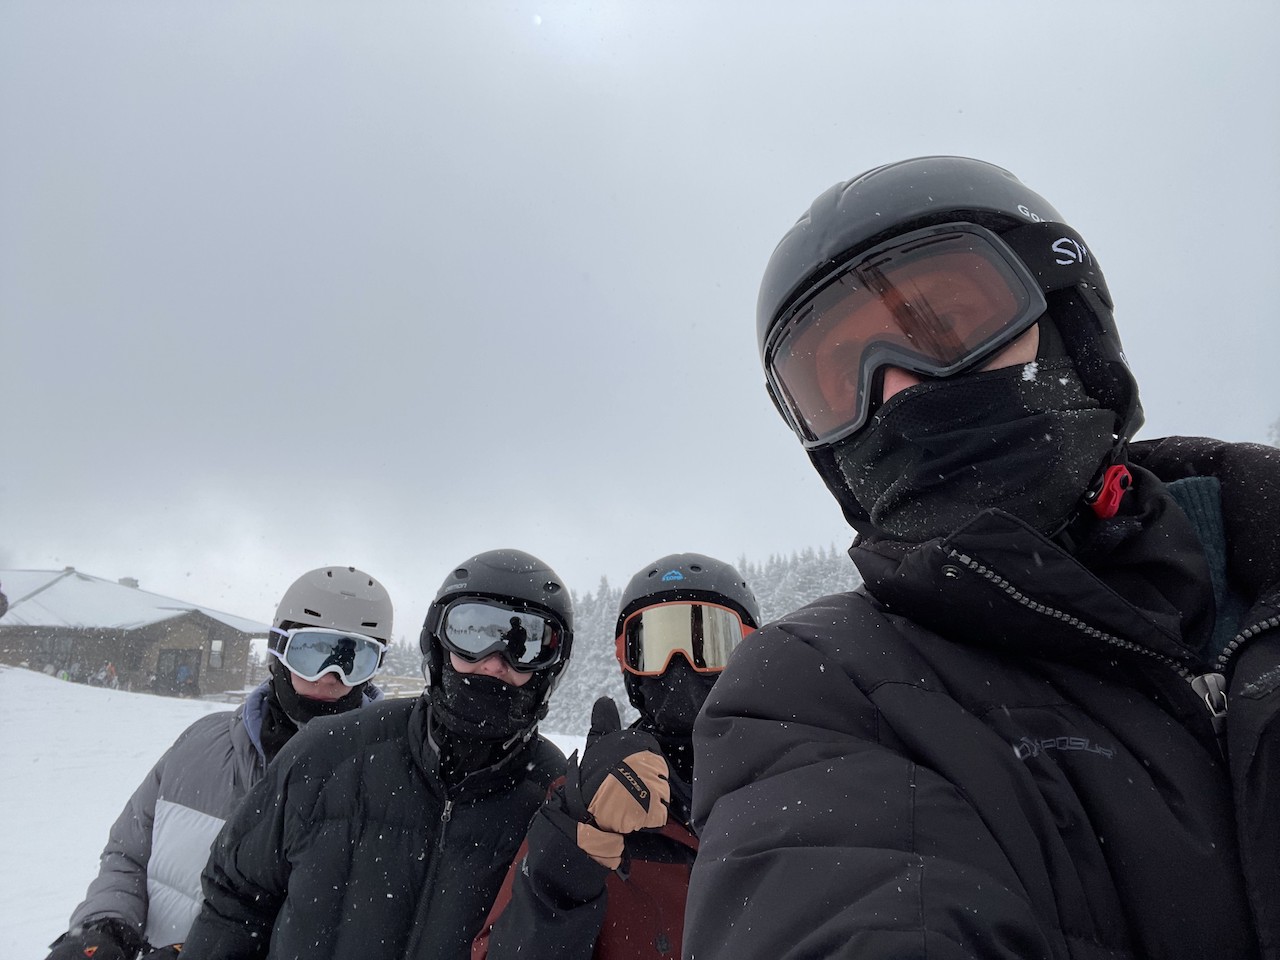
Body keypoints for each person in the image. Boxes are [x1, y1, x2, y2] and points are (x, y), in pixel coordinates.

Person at [684, 156, 1280, 959]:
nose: (897, 391)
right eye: (838, 381)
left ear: (1070, 323)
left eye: (945, 326)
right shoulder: (825, 689)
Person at [179, 548, 576, 960]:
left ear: (552, 666)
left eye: (525, 644)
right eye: (471, 634)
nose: (494, 663)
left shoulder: (556, 798)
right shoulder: (330, 752)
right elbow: (236, 900)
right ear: (438, 643)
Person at [46, 566, 392, 960]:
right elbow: (129, 854)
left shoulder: (391, 779)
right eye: (311, 651)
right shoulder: (200, 745)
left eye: (354, 657)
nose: (332, 676)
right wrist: (107, 927)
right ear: (278, 648)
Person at [474, 552, 761, 960]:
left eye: (708, 643)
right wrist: (571, 851)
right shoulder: (586, 799)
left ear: (749, 652)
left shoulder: (798, 791)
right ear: (628, 665)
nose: (678, 665)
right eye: (655, 645)